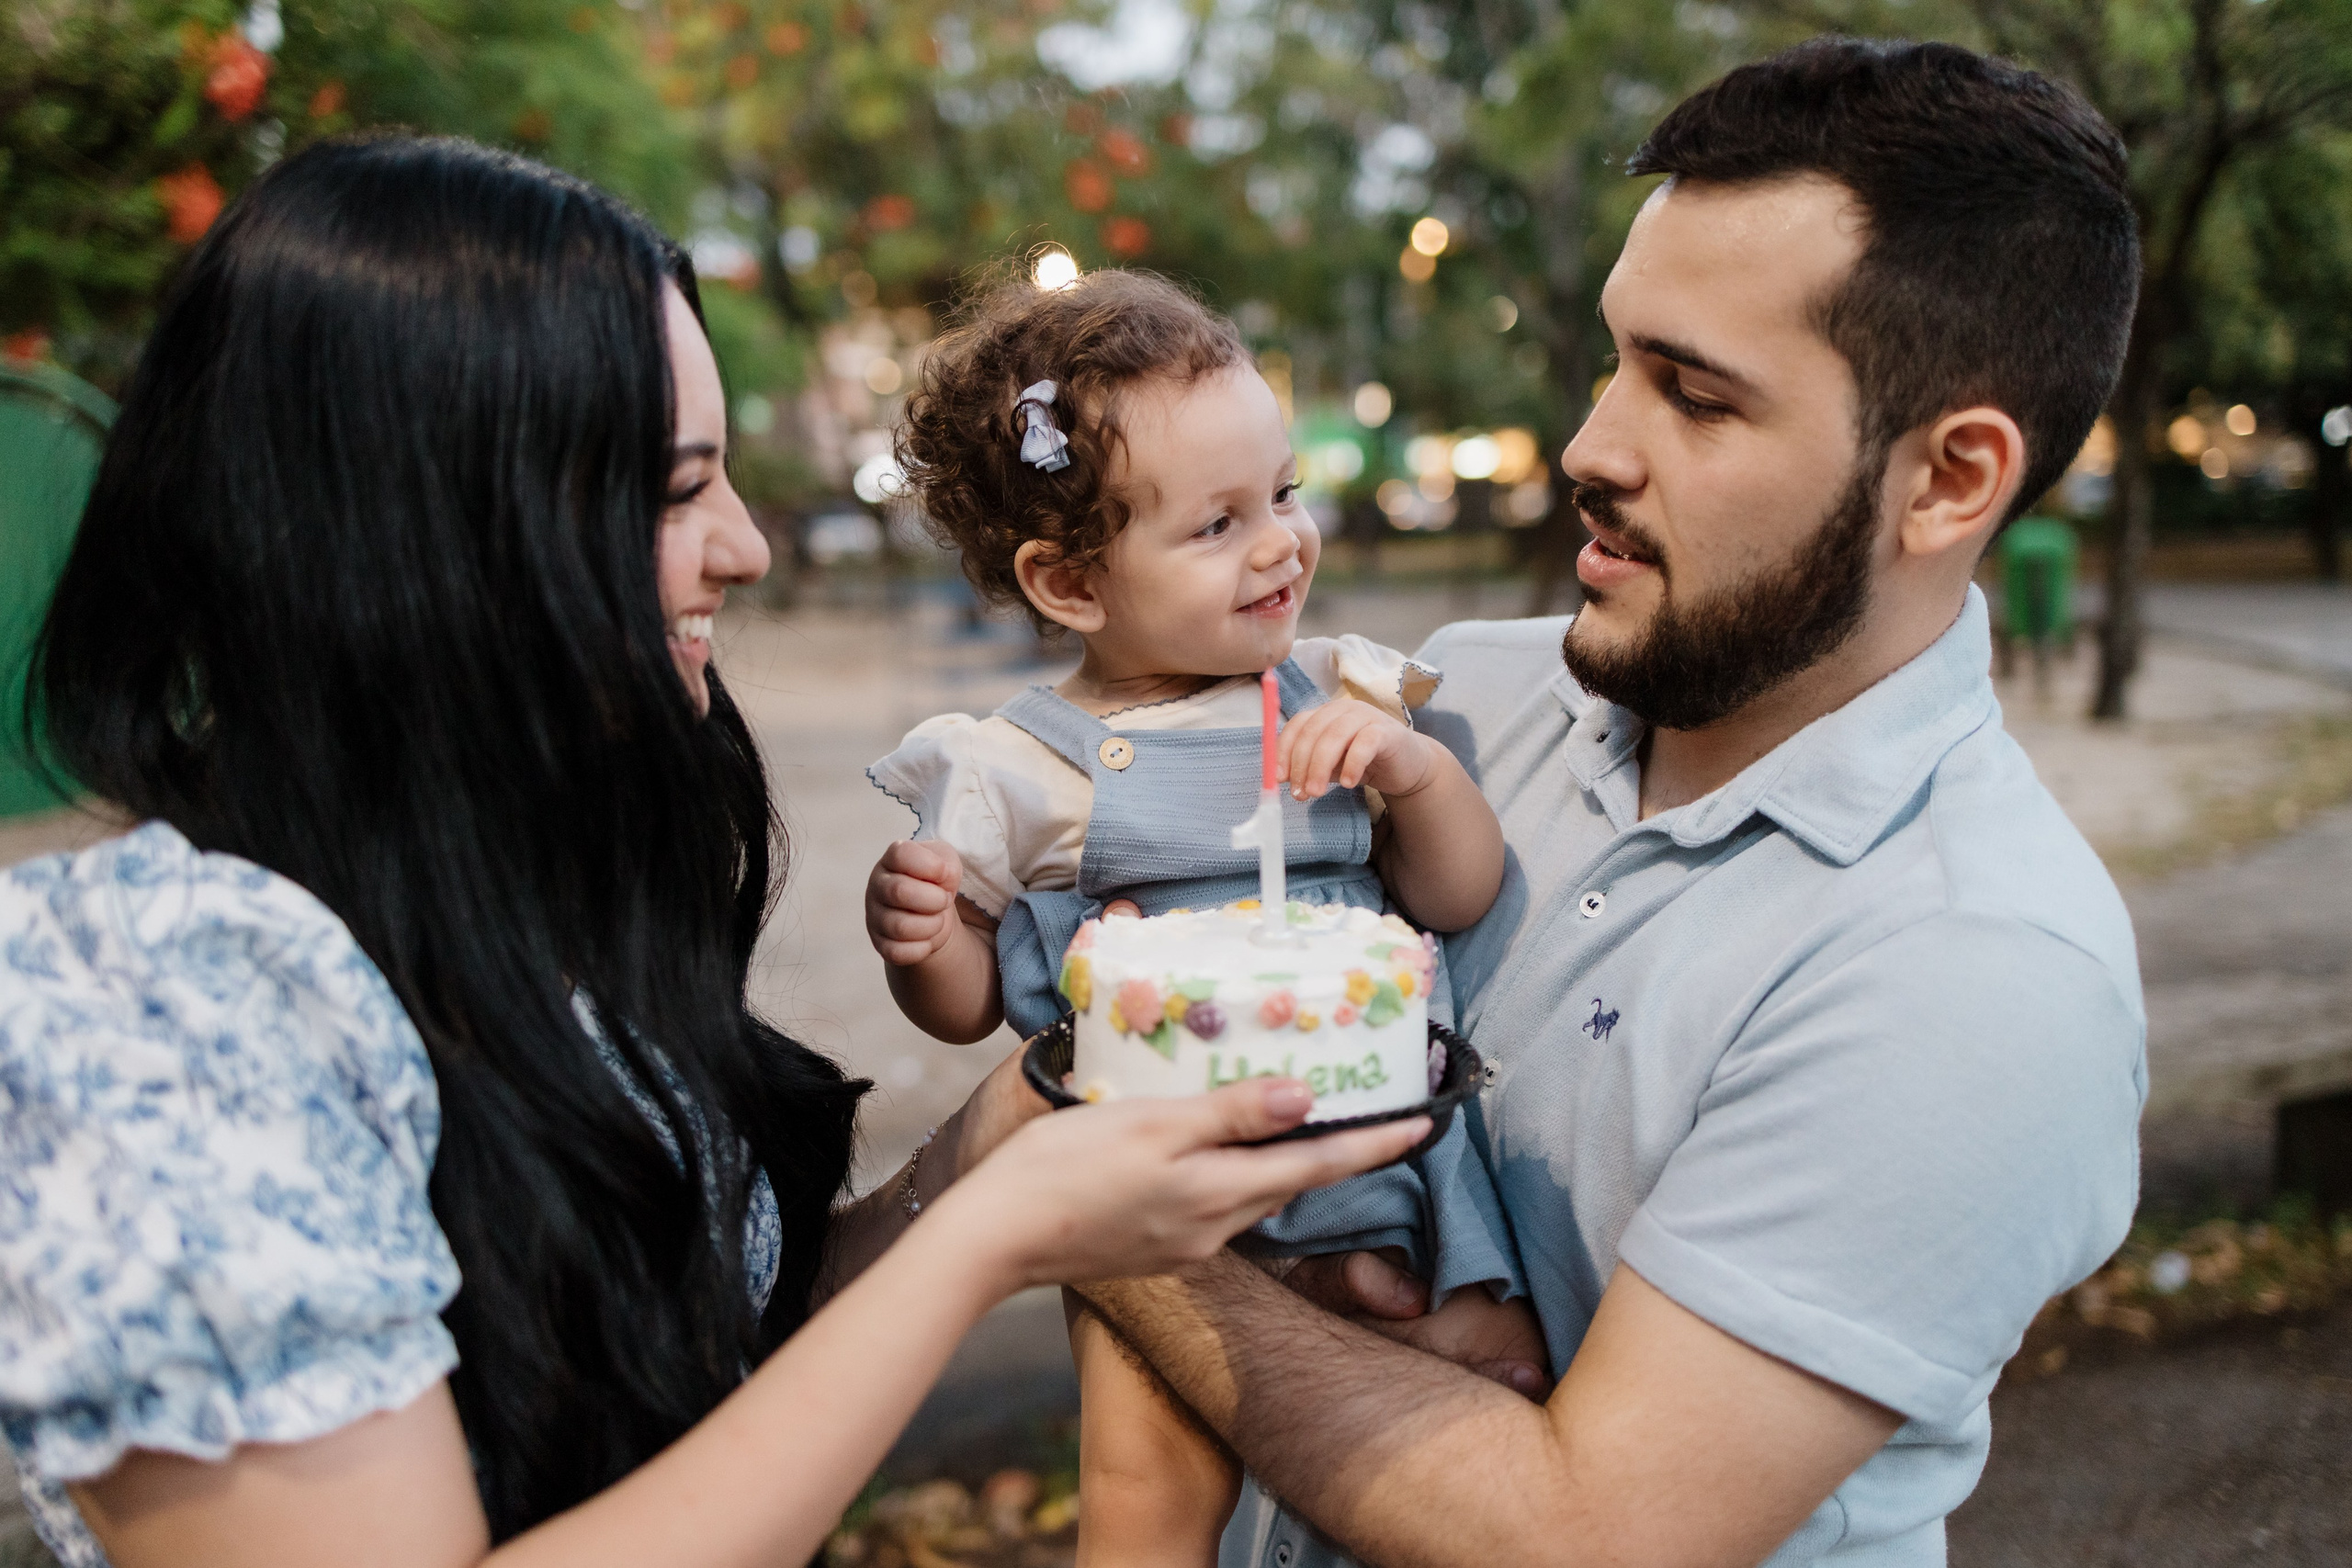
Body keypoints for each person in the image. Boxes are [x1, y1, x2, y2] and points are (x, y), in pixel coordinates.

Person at [0, 133, 1430, 1568]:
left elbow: (714, 1372)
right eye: (679, 489)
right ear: (431, 525)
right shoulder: (155, 996)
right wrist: (984, 1245)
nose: (745, 547)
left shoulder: (511, 911)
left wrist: (1000, 1140)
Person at [1067, 38, 2151, 1568]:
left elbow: (1585, 1537)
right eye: (1617, 359)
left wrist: (1093, 1207)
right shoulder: (1459, 699)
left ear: (1951, 480)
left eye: (1695, 398)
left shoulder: (1979, 969)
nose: (1589, 446)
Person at [861, 270, 1539, 1567]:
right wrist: (927, 935)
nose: (1282, 542)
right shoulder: (1027, 766)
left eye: (1281, 494)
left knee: (1475, 1400)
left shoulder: (1344, 694)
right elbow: (962, 1019)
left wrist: (1416, 775)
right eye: (1217, 524)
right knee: (1144, 1494)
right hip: (1156, 1204)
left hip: (1386, 1165)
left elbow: (1458, 897)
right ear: (1068, 582)